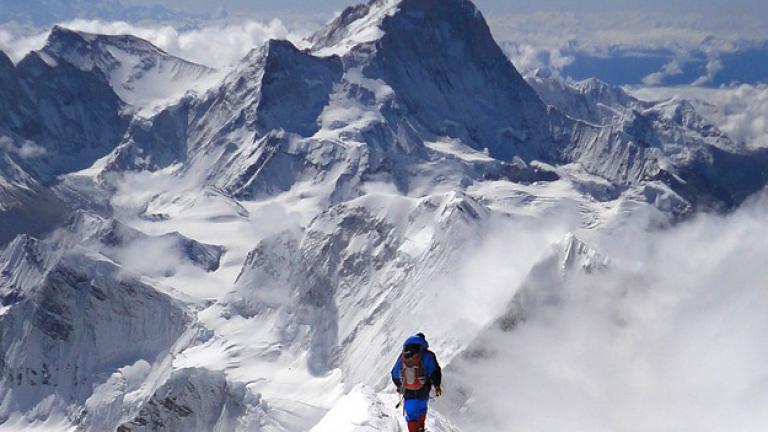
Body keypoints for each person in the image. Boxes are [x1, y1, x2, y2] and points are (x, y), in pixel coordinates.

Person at [391, 332, 442, 432]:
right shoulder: (427, 355)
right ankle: (421, 429)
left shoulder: (403, 356)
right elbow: (435, 371)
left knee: (412, 415)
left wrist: (400, 386)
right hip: (423, 390)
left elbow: (394, 374)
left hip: (408, 391)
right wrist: (437, 386)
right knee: (422, 410)